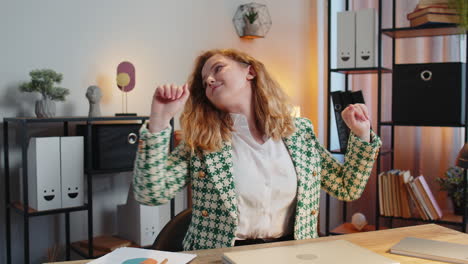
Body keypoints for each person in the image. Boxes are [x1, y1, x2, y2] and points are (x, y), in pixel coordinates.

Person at [133, 49, 381, 251]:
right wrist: (158, 121)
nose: (209, 79)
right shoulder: (201, 142)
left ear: (249, 71)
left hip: (292, 254)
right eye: (204, 81)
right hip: (220, 257)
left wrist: (360, 134)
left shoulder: (299, 132)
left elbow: (347, 187)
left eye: (218, 68)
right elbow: (150, 193)